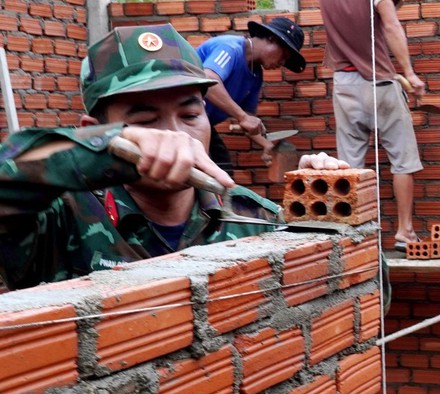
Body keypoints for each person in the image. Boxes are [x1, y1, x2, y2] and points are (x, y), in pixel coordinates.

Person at [0, 23, 346, 291]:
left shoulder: (253, 219)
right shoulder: (60, 220)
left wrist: (328, 219)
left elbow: (363, 299)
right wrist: (106, 149)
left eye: (191, 116)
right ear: (98, 129)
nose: (176, 135)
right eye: (145, 121)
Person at [312, 0, 425, 250]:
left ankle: (355, 236)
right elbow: (391, 26)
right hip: (380, 84)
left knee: (350, 165)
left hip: (344, 86)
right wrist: (409, 73)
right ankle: (404, 232)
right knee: (402, 159)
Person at [195, 16, 307, 173]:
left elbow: (248, 117)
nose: (282, 63)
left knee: (223, 171)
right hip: (177, 119)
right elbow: (208, 80)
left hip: (201, 123)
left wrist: (266, 144)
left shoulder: (255, 74)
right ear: (271, 39)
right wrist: (242, 117)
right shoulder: (230, 48)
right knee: (206, 175)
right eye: (284, 55)